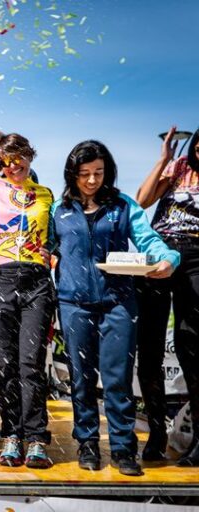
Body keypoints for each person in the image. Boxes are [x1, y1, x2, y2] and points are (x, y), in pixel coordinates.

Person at [51, 140, 179, 476]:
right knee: (80, 379)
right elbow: (46, 250)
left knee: (118, 379)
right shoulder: (58, 209)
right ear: (72, 174)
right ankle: (88, 444)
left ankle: (124, 448)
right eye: (84, 174)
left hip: (118, 303)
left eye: (98, 173)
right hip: (73, 303)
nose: (92, 180)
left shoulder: (123, 205)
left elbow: (148, 238)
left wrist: (167, 258)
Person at [0, 133, 55, 469]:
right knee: (6, 364)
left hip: (36, 282)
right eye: (7, 158)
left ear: (30, 156)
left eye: (21, 156)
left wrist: (56, 253)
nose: (15, 164)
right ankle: (11, 433)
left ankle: (36, 437)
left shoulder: (46, 194)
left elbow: (57, 237)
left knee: (30, 364)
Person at [135, 126, 199, 466]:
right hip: (159, 254)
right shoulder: (179, 168)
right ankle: (157, 433)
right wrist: (164, 160)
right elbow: (142, 199)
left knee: (192, 346)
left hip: (197, 261)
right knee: (149, 347)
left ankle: (197, 439)